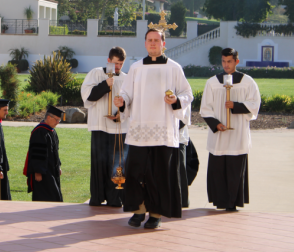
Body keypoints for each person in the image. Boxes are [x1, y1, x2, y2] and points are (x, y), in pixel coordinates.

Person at [114, 28, 193, 229]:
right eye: (149, 40)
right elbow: (127, 93)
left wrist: (176, 100)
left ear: (163, 44)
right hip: (140, 130)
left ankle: (156, 214)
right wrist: (122, 101)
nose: (152, 43)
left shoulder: (174, 68)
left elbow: (187, 94)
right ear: (145, 43)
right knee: (134, 173)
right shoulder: (137, 68)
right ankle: (139, 210)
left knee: (159, 176)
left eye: (156, 40)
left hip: (163, 130)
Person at [200, 48, 261, 211]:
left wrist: (236, 105)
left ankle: (233, 202)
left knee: (235, 169)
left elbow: (255, 105)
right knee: (218, 169)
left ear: (237, 62)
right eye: (223, 61)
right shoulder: (212, 82)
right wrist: (215, 123)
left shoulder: (247, 82)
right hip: (220, 134)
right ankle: (220, 200)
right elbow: (205, 108)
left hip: (238, 133)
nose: (226, 65)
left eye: (229, 61)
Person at [81, 46, 129, 207]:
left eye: (121, 64)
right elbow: (87, 98)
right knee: (99, 163)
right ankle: (97, 197)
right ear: (108, 60)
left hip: (118, 127)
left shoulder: (126, 79)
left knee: (116, 164)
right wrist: (104, 85)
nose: (118, 67)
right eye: (115, 64)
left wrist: (120, 113)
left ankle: (115, 198)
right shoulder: (95, 73)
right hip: (100, 126)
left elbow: (131, 103)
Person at [24, 105, 64, 202]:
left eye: (59, 120)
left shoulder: (51, 131)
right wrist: (38, 171)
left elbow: (55, 151)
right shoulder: (40, 132)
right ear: (49, 118)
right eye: (56, 120)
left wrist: (58, 166)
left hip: (52, 169)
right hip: (43, 172)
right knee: (46, 197)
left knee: (54, 196)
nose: (58, 123)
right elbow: (37, 153)